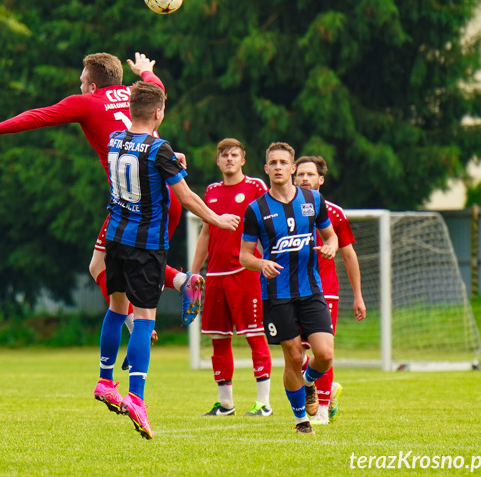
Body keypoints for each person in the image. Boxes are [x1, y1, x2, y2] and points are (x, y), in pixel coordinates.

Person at [0, 52, 204, 329]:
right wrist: (145, 71)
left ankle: (138, 326)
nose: (79, 87)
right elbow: (157, 87)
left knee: (100, 266)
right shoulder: (138, 95)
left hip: (134, 201)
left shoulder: (87, 103)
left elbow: (39, 116)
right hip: (168, 195)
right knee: (143, 264)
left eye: (82, 81)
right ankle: (182, 283)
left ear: (93, 87)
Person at [92, 82, 240, 439]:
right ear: (159, 114)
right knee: (144, 318)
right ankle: (136, 398)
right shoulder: (160, 149)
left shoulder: (114, 139)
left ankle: (104, 379)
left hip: (114, 238)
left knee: (115, 308)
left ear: (130, 110)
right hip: (146, 245)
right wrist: (217, 220)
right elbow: (186, 197)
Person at [239, 142, 338, 434]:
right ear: (266, 169)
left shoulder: (313, 200)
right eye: (274, 162)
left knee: (325, 354)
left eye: (284, 162)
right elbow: (245, 255)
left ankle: (308, 382)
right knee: (293, 356)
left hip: (311, 290)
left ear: (293, 169)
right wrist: (261, 264)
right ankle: (300, 420)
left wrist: (330, 248)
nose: (279, 167)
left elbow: (330, 237)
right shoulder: (255, 209)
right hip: (276, 295)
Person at [190, 138, 273, 417]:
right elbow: (205, 234)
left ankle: (263, 402)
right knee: (218, 338)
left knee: (254, 335)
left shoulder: (255, 187)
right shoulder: (211, 191)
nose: (228, 159)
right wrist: (193, 273)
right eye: (224, 155)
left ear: (243, 160)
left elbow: (268, 225)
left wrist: (267, 260)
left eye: (234, 155)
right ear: (218, 161)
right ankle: (225, 404)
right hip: (214, 275)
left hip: (244, 273)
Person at [293, 155, 367, 424]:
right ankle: (325, 390)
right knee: (296, 353)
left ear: (320, 180)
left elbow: (348, 255)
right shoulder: (282, 210)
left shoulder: (334, 213)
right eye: (300, 174)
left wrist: (358, 296)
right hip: (290, 290)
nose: (304, 179)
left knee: (323, 350)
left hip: (324, 291)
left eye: (310, 174)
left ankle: (323, 407)